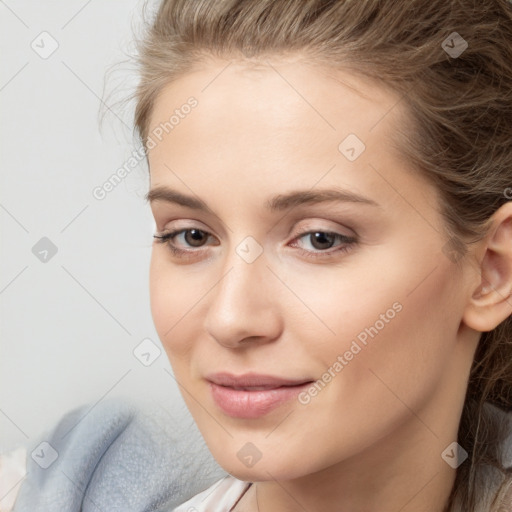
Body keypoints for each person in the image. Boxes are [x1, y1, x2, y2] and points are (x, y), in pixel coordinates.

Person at [3, 1, 512, 511]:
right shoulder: (54, 489)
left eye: (321, 239)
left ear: (493, 270)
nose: (230, 319)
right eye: (191, 236)